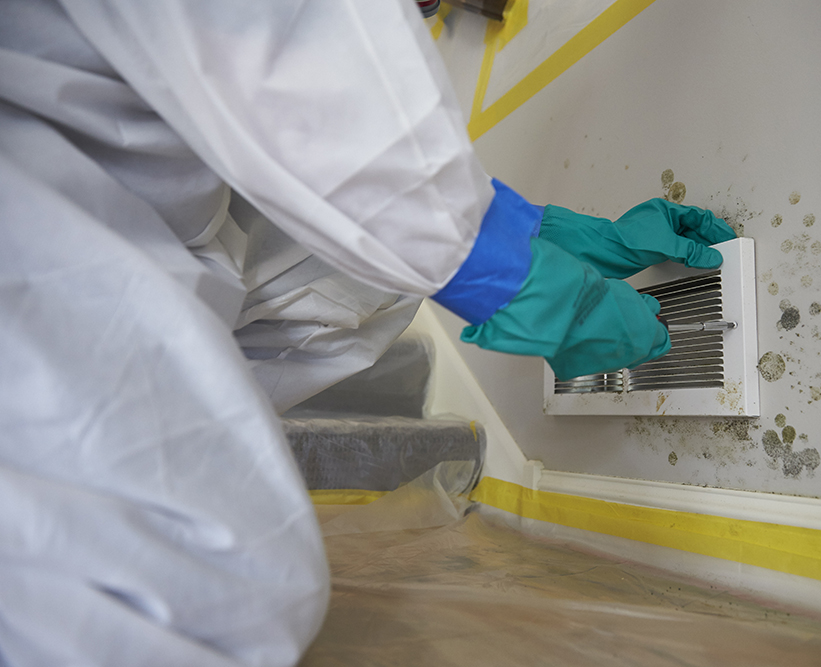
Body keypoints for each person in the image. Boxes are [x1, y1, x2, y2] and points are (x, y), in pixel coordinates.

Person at [0, 0, 736, 665]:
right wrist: (529, 287)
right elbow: (284, 56)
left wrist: (559, 238)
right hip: (30, 240)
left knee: (374, 284)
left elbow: (314, 149)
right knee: (220, 590)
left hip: (113, 193)